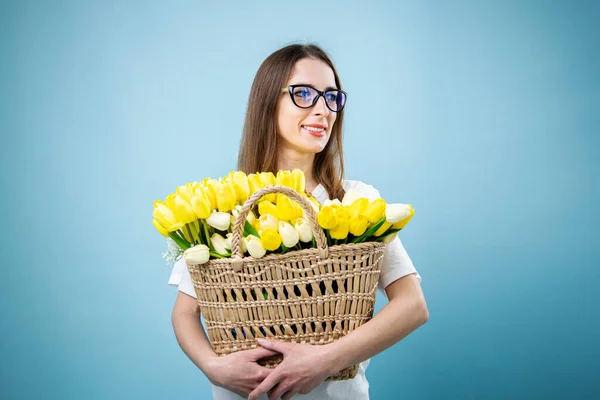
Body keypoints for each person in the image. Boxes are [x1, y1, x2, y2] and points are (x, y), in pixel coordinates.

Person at [168, 43, 429, 400]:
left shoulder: (355, 201)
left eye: (331, 97)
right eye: (304, 94)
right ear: (267, 103)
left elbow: (412, 306)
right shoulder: (223, 203)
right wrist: (213, 367)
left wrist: (323, 360)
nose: (323, 110)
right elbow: (184, 313)